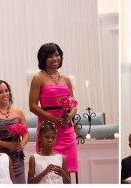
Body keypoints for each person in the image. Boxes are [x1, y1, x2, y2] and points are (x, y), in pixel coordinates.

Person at [29, 43, 78, 176]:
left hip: (66, 128)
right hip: (48, 127)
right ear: (43, 58)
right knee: (48, 167)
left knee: (66, 171)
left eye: (57, 55)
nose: (55, 58)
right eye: (50, 56)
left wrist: (70, 115)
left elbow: (73, 103)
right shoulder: (38, 78)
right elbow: (32, 106)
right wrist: (53, 119)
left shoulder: (66, 79)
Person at [0, 79, 28, 183]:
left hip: (17, 157)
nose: (5, 94)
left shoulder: (18, 112)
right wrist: (6, 145)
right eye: (0, 92)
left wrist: (22, 144)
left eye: (6, 91)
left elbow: (26, 134)